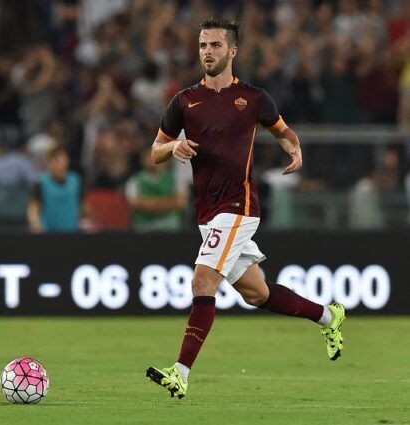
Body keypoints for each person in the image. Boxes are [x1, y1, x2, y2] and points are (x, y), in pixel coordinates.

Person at [146, 18, 346, 399]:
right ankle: (327, 316)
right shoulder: (184, 101)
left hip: (239, 206)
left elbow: (282, 130)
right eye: (203, 45)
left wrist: (294, 148)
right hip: (207, 211)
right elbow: (155, 150)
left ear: (232, 51)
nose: (207, 51)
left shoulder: (253, 98)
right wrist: (173, 148)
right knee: (256, 294)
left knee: (202, 281)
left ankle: (180, 373)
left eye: (215, 46)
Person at [125, 147, 187, 232]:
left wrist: (149, 204)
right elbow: (136, 204)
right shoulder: (135, 181)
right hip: (144, 232)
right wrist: (168, 203)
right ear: (142, 159)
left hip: (171, 233)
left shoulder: (175, 179)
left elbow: (180, 203)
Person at [27, 146, 84, 233]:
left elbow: (83, 206)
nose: (60, 165)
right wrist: (35, 224)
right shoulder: (41, 183)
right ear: (49, 164)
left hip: (72, 233)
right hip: (49, 234)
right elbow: (33, 209)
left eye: (63, 160)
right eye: (56, 161)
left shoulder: (76, 180)